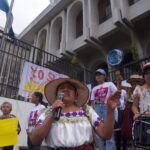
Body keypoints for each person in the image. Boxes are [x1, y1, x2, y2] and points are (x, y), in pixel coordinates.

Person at [29, 78, 121, 150]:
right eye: (62, 88)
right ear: (57, 95)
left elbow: (106, 134)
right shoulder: (47, 112)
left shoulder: (87, 111)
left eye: (70, 88)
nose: (65, 89)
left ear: (76, 96)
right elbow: (34, 140)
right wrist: (52, 114)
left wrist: (110, 109)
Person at [90, 69, 118, 150]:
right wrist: (91, 112)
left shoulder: (110, 84)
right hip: (96, 108)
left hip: (107, 107)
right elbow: (92, 102)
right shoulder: (94, 88)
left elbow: (117, 94)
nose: (98, 76)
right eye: (96, 75)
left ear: (105, 76)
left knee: (109, 133)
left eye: (100, 74)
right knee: (98, 132)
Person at [121, 74, 143, 150]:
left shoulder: (142, 90)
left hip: (141, 113)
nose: (134, 83)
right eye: (132, 82)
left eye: (136, 82)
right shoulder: (128, 91)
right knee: (133, 134)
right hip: (130, 115)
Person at [132, 63, 150, 150]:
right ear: (144, 76)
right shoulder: (138, 89)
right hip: (144, 122)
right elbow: (134, 106)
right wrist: (136, 113)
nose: (149, 75)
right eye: (146, 73)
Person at [114, 69, 127, 150]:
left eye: (119, 75)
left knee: (124, 129)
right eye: (117, 75)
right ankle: (118, 147)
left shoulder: (124, 92)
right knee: (117, 131)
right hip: (116, 112)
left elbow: (125, 101)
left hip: (122, 111)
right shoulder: (114, 90)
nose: (118, 78)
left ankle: (124, 147)